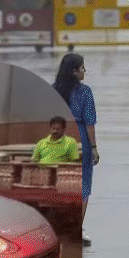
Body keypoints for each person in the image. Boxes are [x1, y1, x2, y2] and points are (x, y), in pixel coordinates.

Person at [53, 53, 99, 246]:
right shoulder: (85, 92)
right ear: (73, 72)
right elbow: (89, 124)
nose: (84, 72)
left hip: (58, 140)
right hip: (80, 142)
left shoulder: (54, 90)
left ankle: (58, 228)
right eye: (82, 68)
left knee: (60, 184)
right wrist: (94, 148)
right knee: (83, 186)